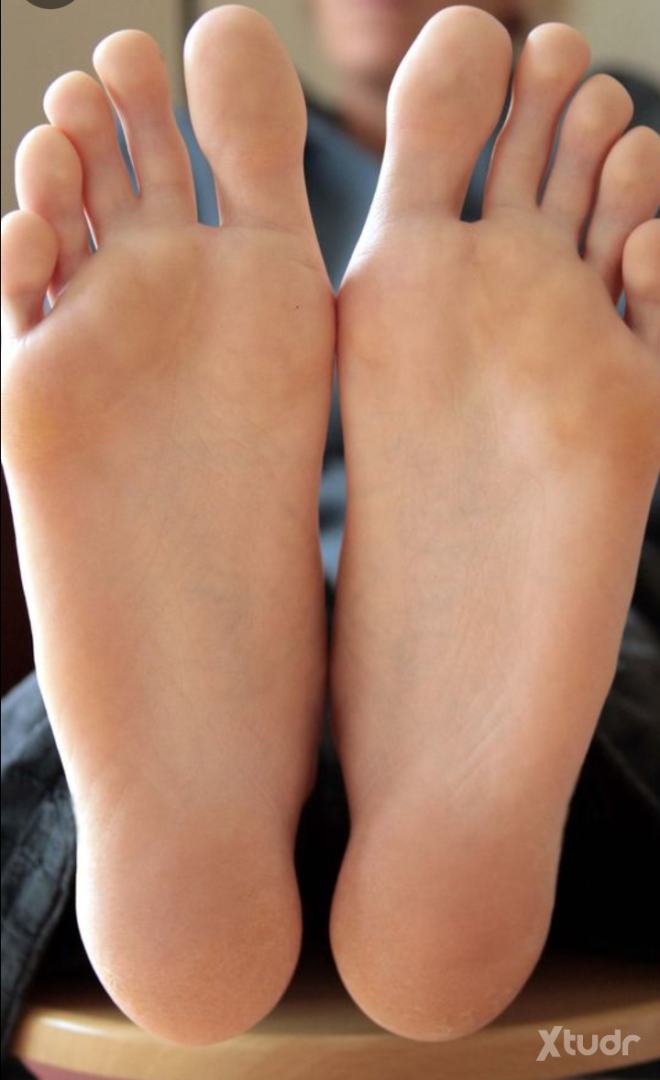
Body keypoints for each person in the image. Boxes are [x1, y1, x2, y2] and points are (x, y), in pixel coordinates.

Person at [1, 0, 659, 1058]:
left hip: (552, 606)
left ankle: (417, 816)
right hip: (249, 615)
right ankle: (326, 813)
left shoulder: (619, 139)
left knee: (599, 639)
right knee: (613, 676)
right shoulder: (190, 159)